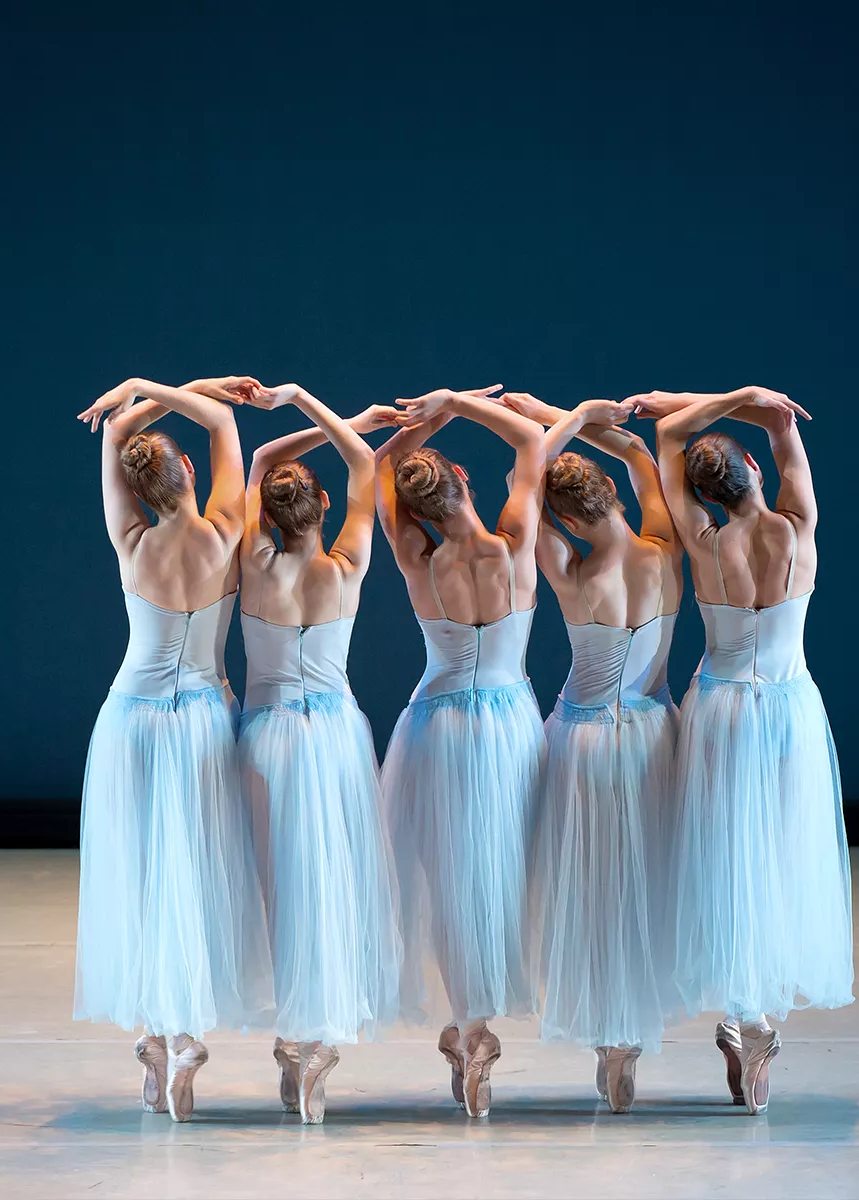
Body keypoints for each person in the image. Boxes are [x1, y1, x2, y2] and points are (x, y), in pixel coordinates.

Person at [639, 386, 852, 1116]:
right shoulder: (799, 527)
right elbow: (780, 418)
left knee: (728, 854)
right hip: (788, 709)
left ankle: (745, 1011)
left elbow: (668, 434)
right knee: (778, 852)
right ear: (756, 471)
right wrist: (748, 398)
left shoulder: (703, 540)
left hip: (723, 711)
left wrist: (695, 402)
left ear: (701, 494)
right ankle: (755, 1017)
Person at [69, 375, 274, 1122]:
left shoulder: (131, 539)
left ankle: (159, 1043)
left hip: (133, 718)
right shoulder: (227, 528)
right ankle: (178, 1037)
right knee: (192, 870)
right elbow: (221, 422)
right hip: (203, 718)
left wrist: (138, 396)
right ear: (188, 473)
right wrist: (189, 389)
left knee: (149, 875)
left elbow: (117, 437)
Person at [230, 384, 407, 1124]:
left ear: (266, 513)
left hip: (268, 737)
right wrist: (345, 421)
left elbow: (266, 453)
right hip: (332, 737)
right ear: (324, 508)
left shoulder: (252, 560)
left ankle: (293, 1037)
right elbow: (365, 466)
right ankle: (312, 1044)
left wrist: (297, 405)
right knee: (326, 885)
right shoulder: (347, 565)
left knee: (278, 887)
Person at [501, 393, 681, 1112]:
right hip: (652, 737)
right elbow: (641, 455)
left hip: (587, 743)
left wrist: (555, 424)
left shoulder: (574, 573)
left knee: (596, 892)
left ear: (568, 519)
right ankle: (629, 1035)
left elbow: (524, 494)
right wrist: (578, 415)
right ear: (611, 499)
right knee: (638, 886)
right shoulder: (666, 551)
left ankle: (611, 1044)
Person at [374, 384, 547, 1118]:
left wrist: (429, 416)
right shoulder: (513, 544)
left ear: (418, 508)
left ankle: (470, 1026)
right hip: (509, 722)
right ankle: (479, 1024)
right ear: (469, 484)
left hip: (438, 724)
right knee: (502, 870)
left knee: (448, 879)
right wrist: (460, 402)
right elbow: (534, 446)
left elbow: (378, 470)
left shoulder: (417, 554)